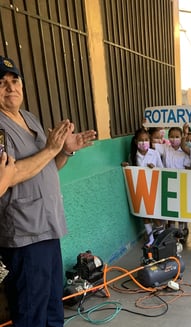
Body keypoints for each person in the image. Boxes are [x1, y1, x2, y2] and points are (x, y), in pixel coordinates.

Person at [0, 55, 96, 327]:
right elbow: (9, 175)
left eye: (14, 80)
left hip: (49, 226)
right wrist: (52, 148)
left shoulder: (29, 118)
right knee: (31, 313)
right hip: (25, 234)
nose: (11, 88)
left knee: (54, 308)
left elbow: (48, 166)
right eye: (2, 83)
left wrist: (65, 150)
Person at [121, 127, 164, 246]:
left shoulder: (154, 153)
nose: (144, 142)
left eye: (146, 140)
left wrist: (153, 169)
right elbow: (132, 171)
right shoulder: (133, 155)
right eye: (141, 140)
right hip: (140, 188)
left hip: (153, 188)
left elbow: (162, 168)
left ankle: (161, 236)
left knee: (154, 214)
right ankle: (151, 238)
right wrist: (126, 166)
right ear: (136, 142)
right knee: (144, 214)